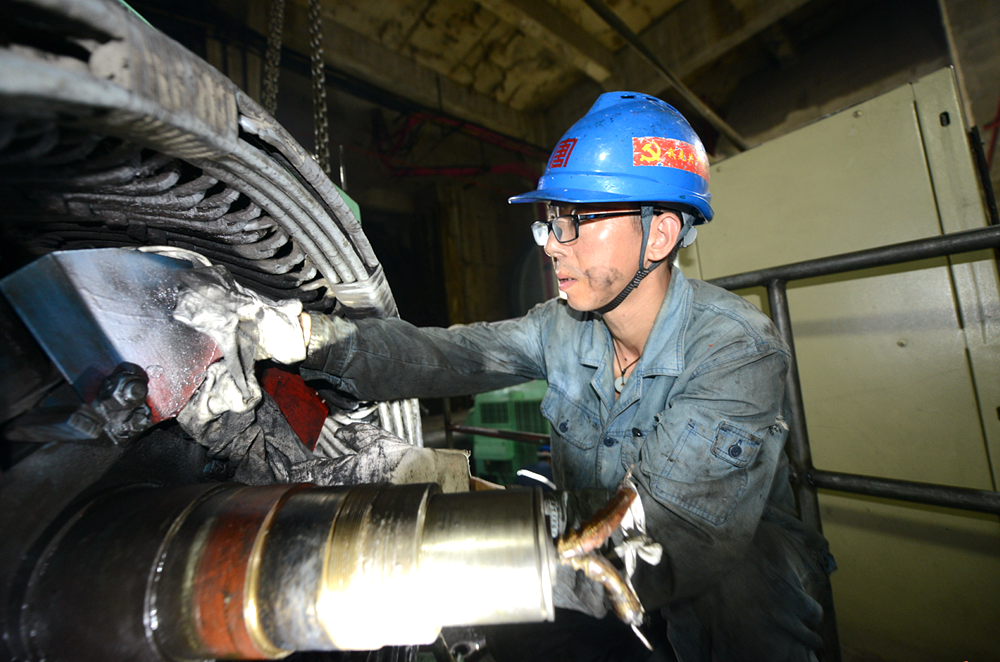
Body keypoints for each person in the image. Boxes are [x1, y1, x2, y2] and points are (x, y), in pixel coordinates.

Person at [176, 92, 832, 662]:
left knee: (739, 593)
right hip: (593, 563)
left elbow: (667, 540)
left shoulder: (737, 352)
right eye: (550, 223)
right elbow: (444, 356)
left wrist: (421, 554)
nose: (552, 245)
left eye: (575, 223)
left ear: (658, 236)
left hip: (722, 598)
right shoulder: (562, 326)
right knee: (519, 638)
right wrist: (302, 338)